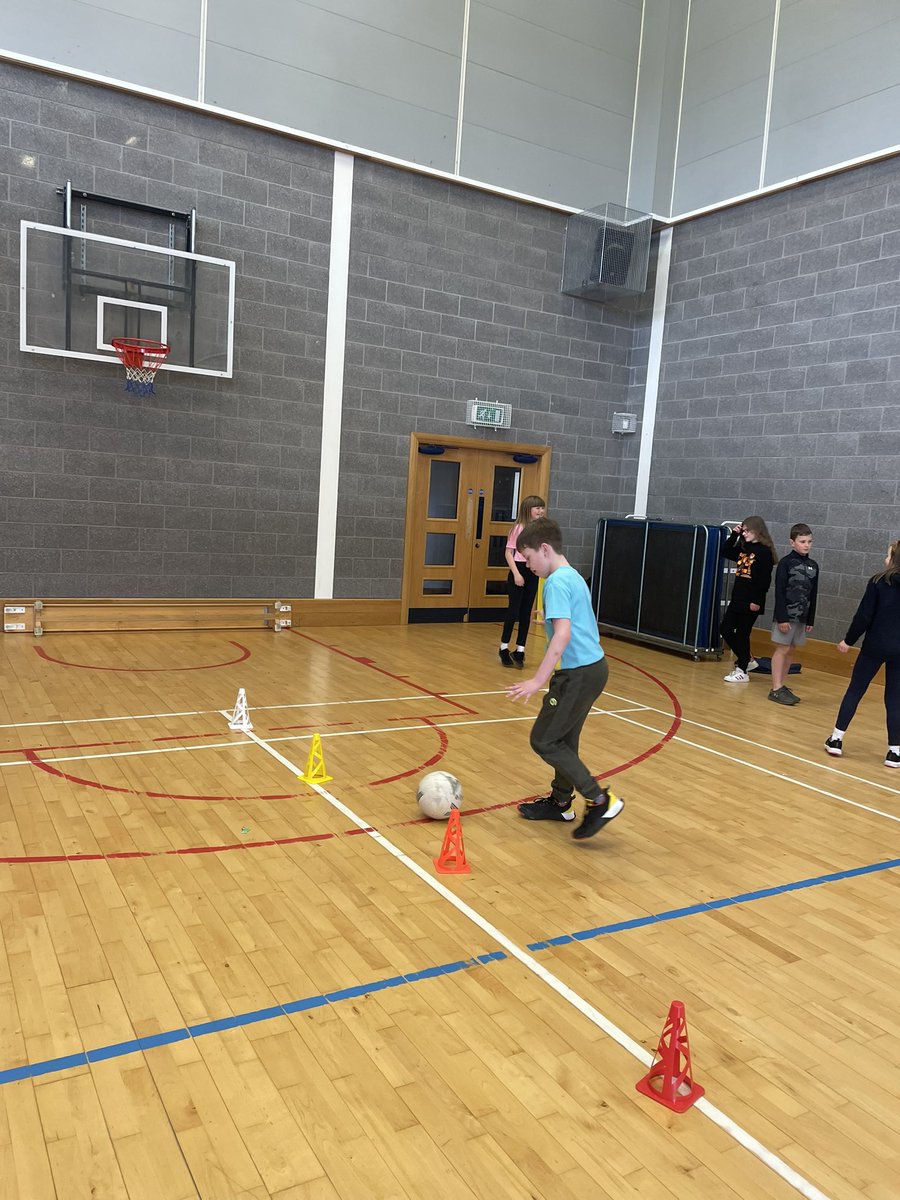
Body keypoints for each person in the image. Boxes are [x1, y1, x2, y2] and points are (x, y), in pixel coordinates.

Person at [506, 517, 624, 840]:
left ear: (545, 549)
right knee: (564, 740)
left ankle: (600, 799)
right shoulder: (573, 576)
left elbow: (562, 636)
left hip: (577, 674)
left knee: (543, 740)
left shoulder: (556, 582)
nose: (528, 566)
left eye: (529, 558)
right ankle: (560, 802)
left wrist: (537, 681)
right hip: (594, 669)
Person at [825, 540, 900, 768]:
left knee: (856, 689)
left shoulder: (878, 582)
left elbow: (864, 616)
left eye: (888, 555)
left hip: (874, 646)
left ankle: (836, 739)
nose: (885, 559)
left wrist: (848, 640)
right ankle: (895, 751)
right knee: (895, 699)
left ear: (894, 559)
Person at [720, 515, 777, 683]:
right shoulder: (744, 548)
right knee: (725, 629)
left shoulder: (764, 552)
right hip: (738, 598)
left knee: (743, 634)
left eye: (747, 531)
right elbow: (725, 551)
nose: (744, 534)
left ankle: (742, 670)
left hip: (751, 601)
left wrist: (756, 601)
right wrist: (734, 534)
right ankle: (747, 659)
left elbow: (764, 580)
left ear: (757, 530)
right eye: (743, 531)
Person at [769, 523, 819, 706]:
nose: (806, 545)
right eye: (802, 541)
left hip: (802, 617)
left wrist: (810, 619)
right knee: (782, 649)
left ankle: (782, 684)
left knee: (791, 650)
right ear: (792, 542)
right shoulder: (786, 563)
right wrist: (782, 617)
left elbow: (813, 594)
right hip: (786, 616)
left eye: (809, 541)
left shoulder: (813, 566)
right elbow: (780, 592)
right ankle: (775, 688)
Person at [498, 494, 546, 668]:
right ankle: (504, 647)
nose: (540, 511)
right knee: (514, 610)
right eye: (537, 508)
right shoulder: (518, 529)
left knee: (526, 611)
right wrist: (517, 574)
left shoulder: (541, 530)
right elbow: (508, 553)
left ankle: (520, 649)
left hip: (532, 570)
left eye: (542, 508)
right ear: (528, 510)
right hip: (518, 569)